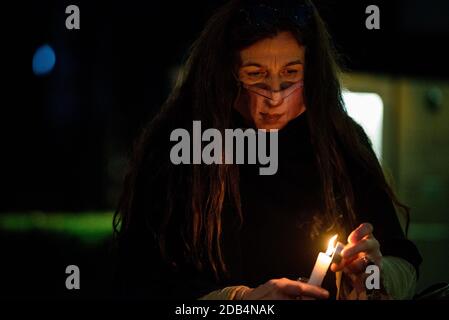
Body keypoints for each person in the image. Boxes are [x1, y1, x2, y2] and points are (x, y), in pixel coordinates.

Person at [113, 0, 422, 300]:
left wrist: (374, 277)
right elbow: (140, 279)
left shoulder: (339, 141)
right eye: (255, 74)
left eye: (290, 73)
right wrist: (239, 302)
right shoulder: (181, 146)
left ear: (311, 71)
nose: (275, 95)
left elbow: (400, 257)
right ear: (225, 73)